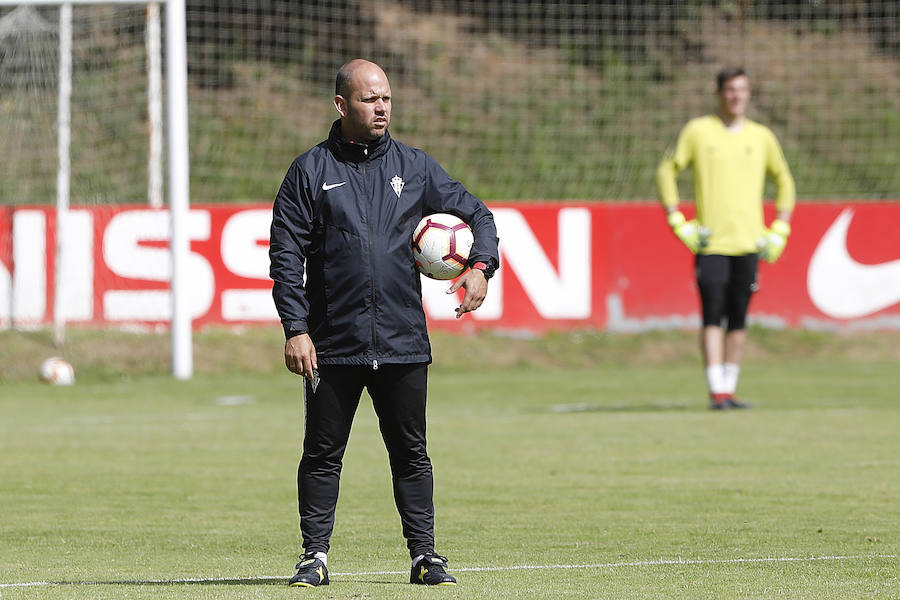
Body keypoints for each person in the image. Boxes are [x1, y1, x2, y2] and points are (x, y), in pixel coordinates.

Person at [269, 59, 499, 587]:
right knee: (322, 454)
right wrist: (296, 329)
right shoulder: (309, 171)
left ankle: (425, 557)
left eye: (387, 99)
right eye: (370, 99)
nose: (382, 108)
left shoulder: (416, 167)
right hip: (333, 343)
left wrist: (481, 268)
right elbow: (285, 255)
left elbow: (479, 216)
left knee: (411, 454)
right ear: (341, 105)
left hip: (401, 341)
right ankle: (314, 557)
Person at [656, 66, 795, 410]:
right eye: (731, 90)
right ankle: (716, 390)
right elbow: (666, 170)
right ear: (719, 93)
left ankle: (730, 388)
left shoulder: (761, 137)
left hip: (749, 243)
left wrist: (780, 228)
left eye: (742, 90)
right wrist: (678, 220)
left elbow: (786, 182)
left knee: (739, 317)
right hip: (712, 243)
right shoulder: (698, 131)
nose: (737, 96)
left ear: (749, 94)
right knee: (711, 314)